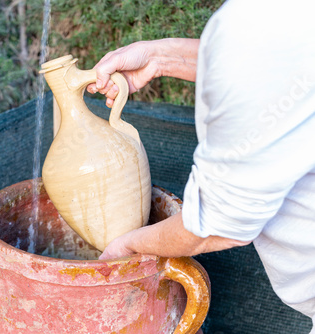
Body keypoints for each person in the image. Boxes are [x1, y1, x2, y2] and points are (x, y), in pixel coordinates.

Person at [86, 0, 315, 332]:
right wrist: (159, 57)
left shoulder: (256, 26)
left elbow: (220, 223)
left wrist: (128, 245)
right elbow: (282, 67)